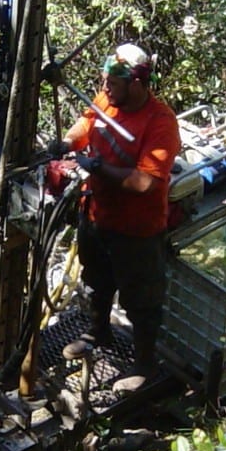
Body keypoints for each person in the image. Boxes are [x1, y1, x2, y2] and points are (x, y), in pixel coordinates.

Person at [57, 42, 181, 394]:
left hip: (137, 230)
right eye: (104, 79)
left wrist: (97, 167)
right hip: (97, 214)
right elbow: (86, 124)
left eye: (113, 81)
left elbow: (143, 182)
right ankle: (98, 333)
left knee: (141, 299)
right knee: (97, 281)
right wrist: (67, 143)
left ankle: (143, 364)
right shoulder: (107, 98)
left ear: (138, 83)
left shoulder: (160, 123)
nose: (105, 87)